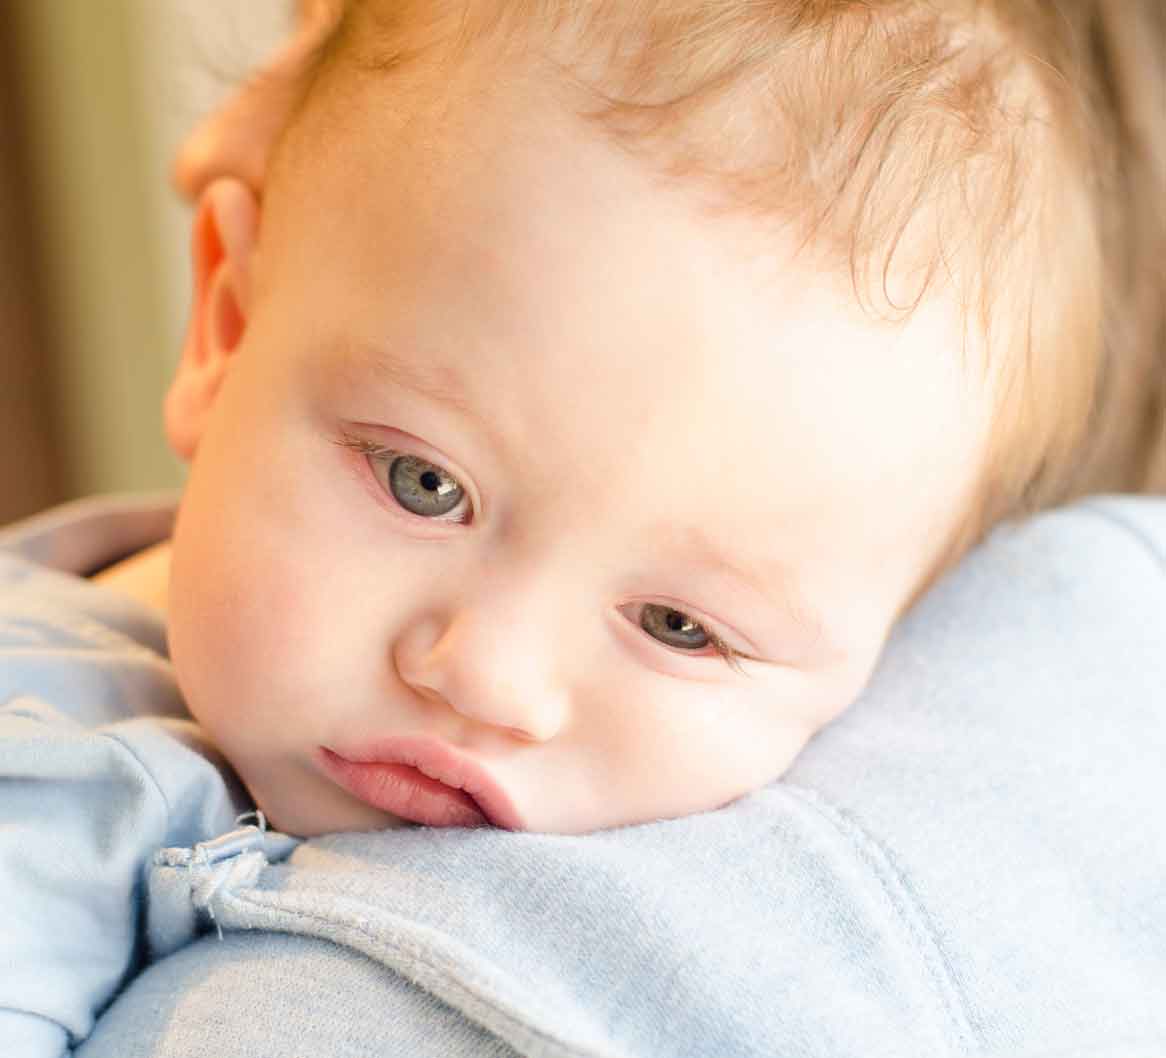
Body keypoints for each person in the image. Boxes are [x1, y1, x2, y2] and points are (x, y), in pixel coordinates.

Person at [2, 0, 1164, 1053]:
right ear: (227, 324)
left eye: (675, 623)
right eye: (420, 484)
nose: (491, 680)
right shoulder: (47, 773)